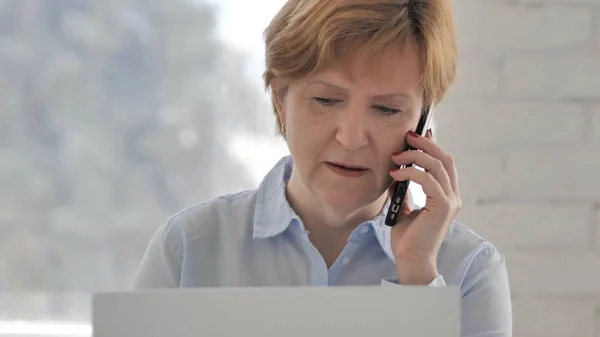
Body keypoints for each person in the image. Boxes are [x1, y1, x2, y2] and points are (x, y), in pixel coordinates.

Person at [134, 0, 512, 335]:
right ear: (281, 102)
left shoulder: (470, 272)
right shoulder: (189, 249)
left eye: (386, 109)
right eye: (326, 100)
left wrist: (417, 276)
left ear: (422, 127)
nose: (351, 138)